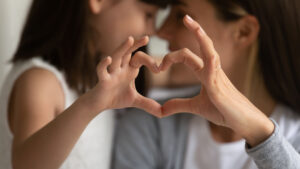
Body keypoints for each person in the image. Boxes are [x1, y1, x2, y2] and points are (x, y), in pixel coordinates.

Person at [112, 0, 300, 168]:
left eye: (180, 16)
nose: (160, 31)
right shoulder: (150, 126)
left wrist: (261, 135)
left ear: (244, 32)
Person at [0, 0, 172, 168]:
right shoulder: (40, 82)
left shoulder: (98, 76)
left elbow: (170, 71)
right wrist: (91, 104)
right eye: (148, 15)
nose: (153, 30)